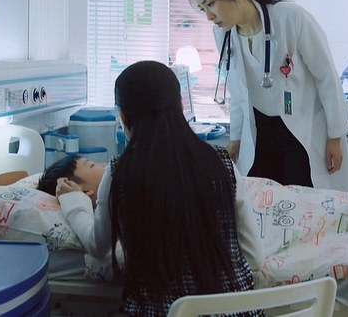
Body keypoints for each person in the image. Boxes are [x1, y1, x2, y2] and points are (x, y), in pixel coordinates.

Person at [61, 60, 264, 316]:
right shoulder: (221, 163)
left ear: (123, 116)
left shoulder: (120, 173)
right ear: (181, 107)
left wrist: (74, 203)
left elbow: (97, 246)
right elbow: (255, 258)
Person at [188, 0, 348, 190]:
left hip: (301, 129)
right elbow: (238, 91)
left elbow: (326, 76)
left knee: (304, 202)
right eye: (202, 9)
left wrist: (334, 136)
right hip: (260, 132)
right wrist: (235, 138)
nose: (209, 16)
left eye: (211, 4)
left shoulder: (290, 17)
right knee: (262, 202)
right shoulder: (224, 35)